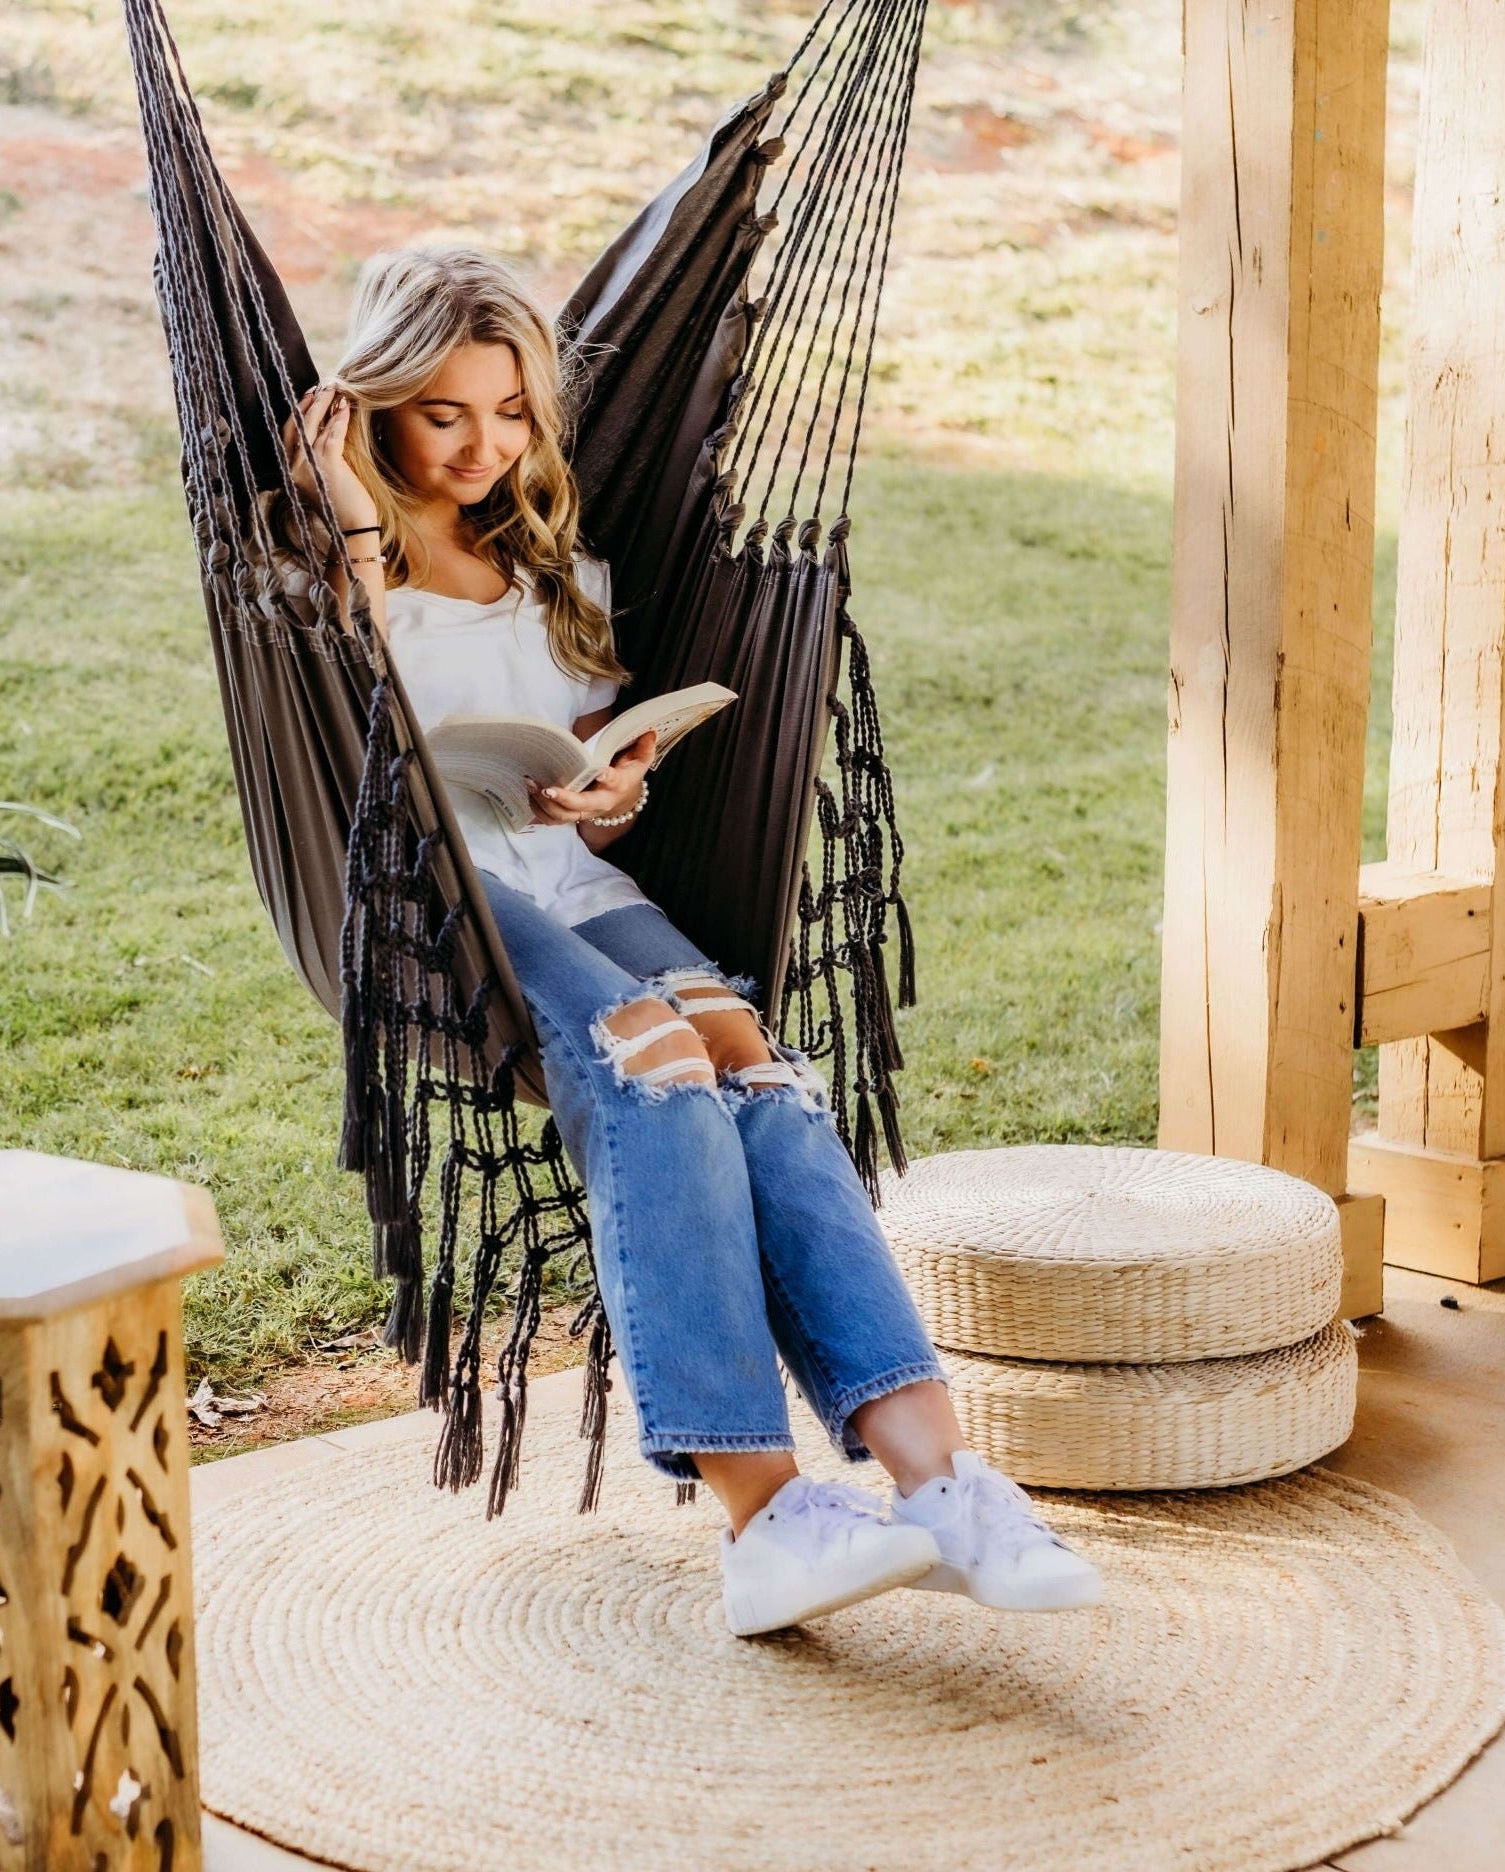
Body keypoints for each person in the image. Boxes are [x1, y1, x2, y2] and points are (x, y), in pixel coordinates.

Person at [278, 245, 1101, 1637]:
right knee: (651, 1059)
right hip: (443, 906)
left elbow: (588, 795)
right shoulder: (323, 557)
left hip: (563, 879)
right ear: (379, 406)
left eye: (513, 411)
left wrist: (611, 789)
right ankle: (766, 1519)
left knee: (749, 1063)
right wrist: (355, 516)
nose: (486, 446)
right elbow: (336, 719)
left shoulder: (546, 564)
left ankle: (945, 1489)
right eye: (446, 414)